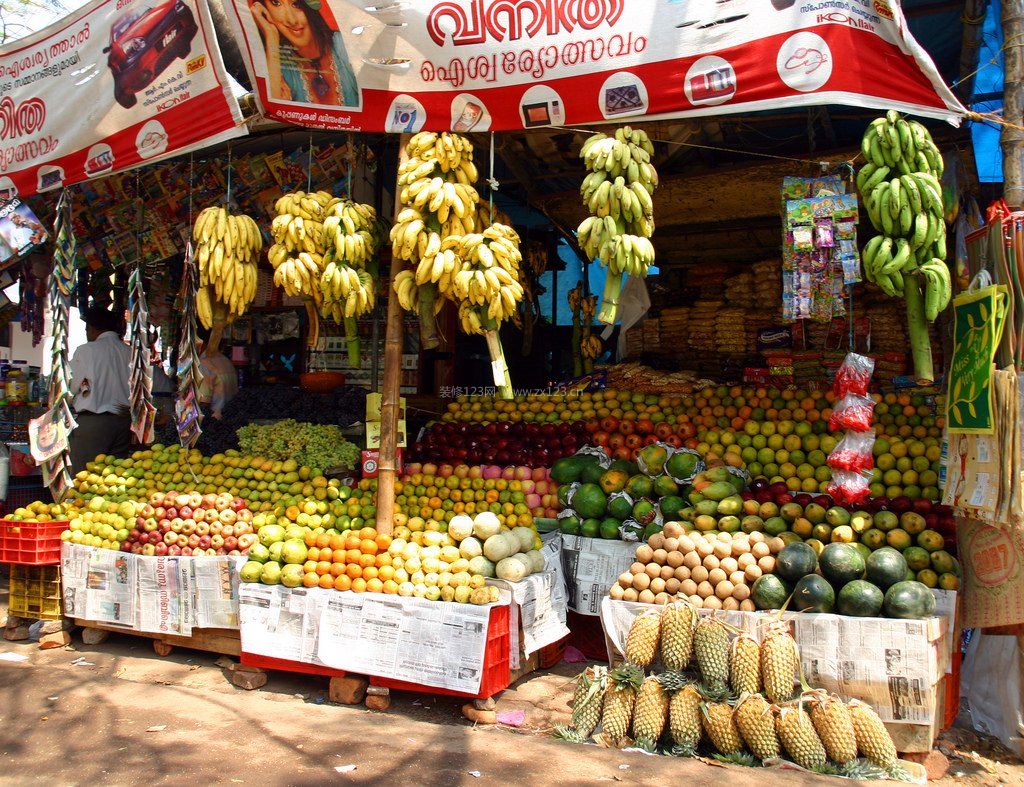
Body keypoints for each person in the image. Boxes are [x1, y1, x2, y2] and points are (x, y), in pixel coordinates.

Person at [252, 0, 360, 107]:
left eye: (296, 4)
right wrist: (271, 35)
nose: (291, 20)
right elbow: (273, 107)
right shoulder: (278, 63)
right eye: (276, 3)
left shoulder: (343, 45)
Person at [69, 307, 132, 473]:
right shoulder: (129, 352)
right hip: (123, 422)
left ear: (92, 328)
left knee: (84, 477)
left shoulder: (86, 350)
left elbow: (72, 386)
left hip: (94, 422)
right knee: (115, 478)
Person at [197, 335, 239, 419]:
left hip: (214, 420)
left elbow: (203, 402)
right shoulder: (226, 360)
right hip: (230, 417)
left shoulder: (204, 364)